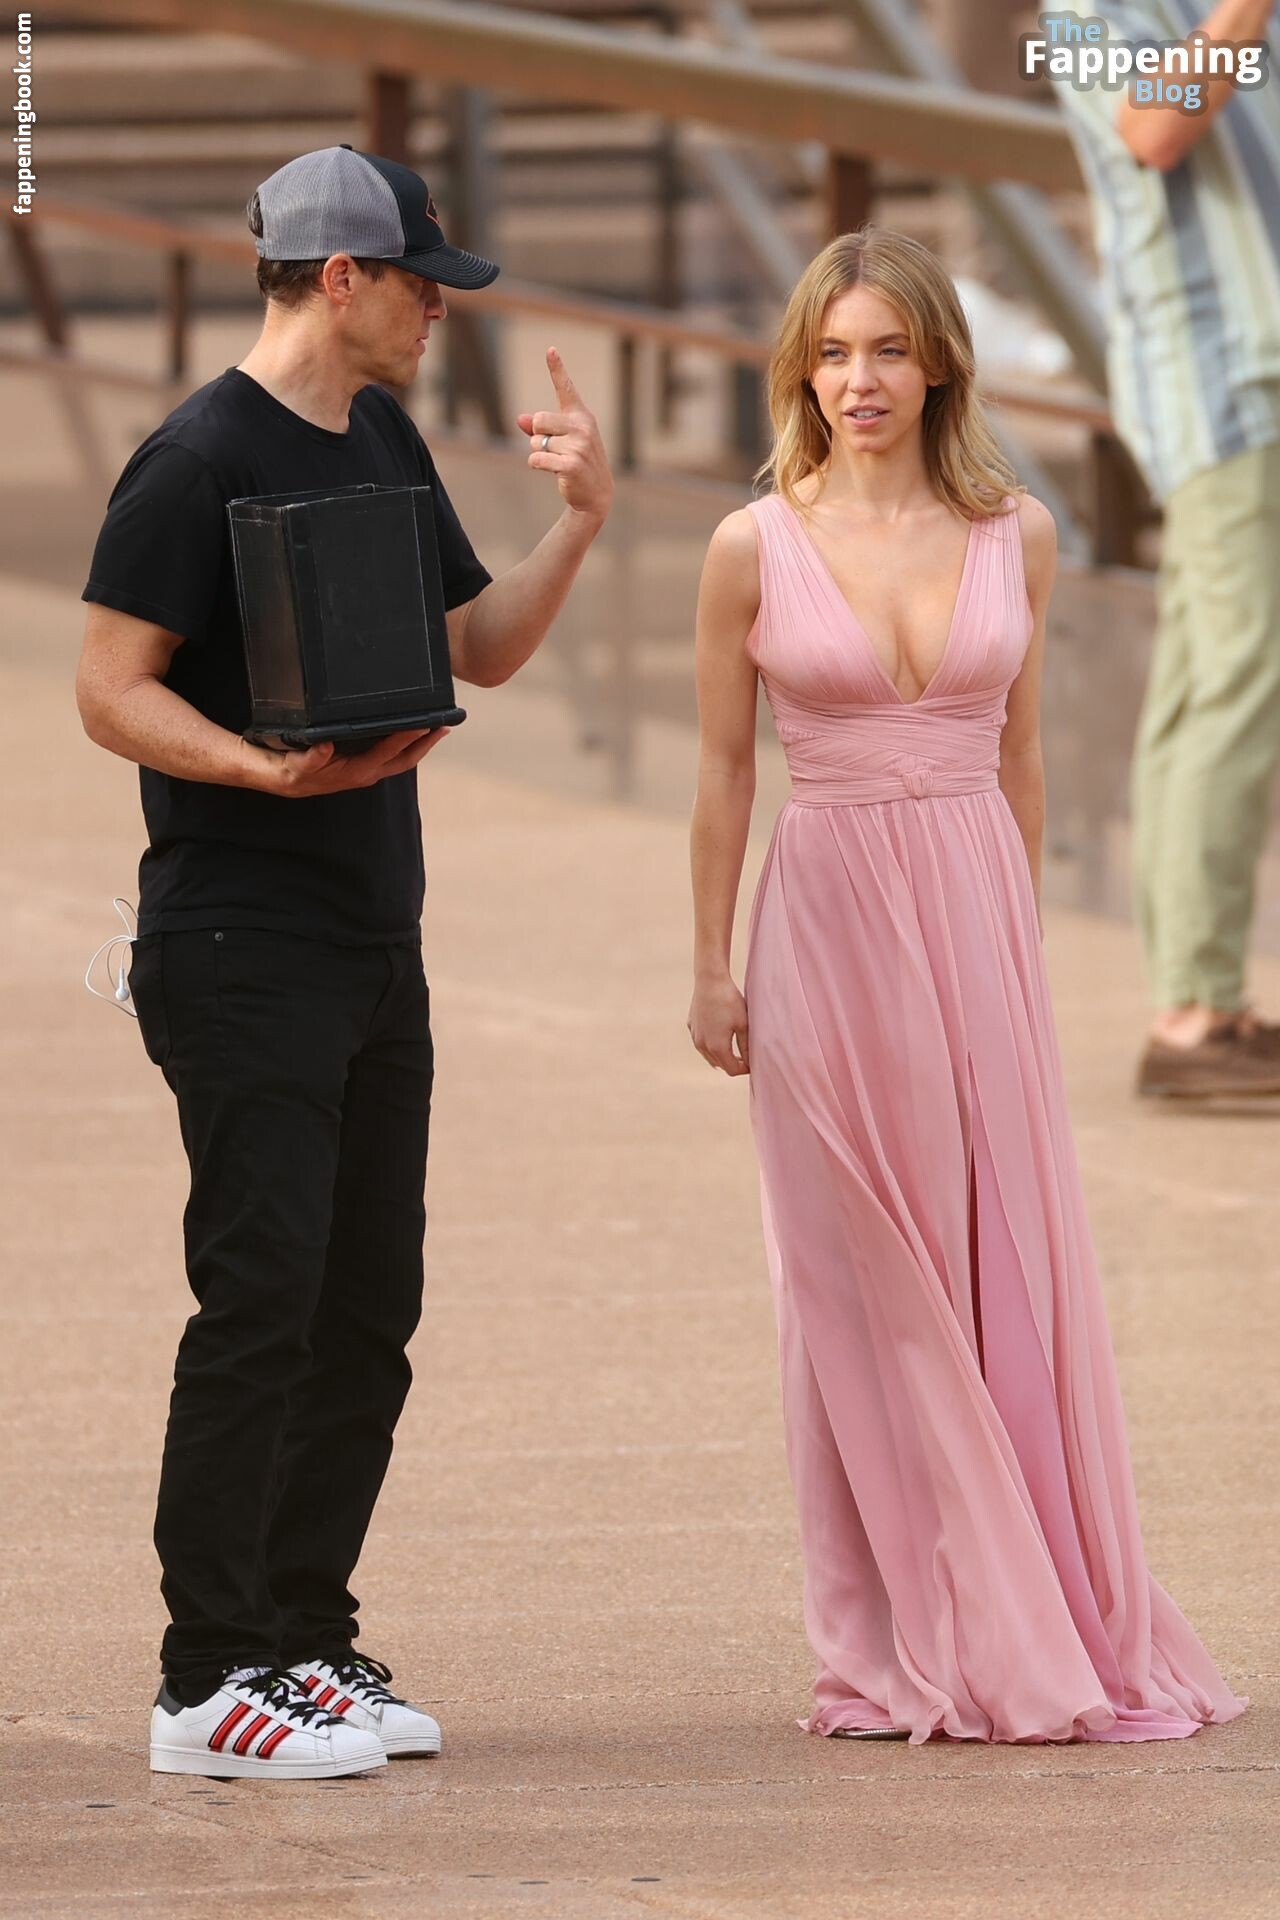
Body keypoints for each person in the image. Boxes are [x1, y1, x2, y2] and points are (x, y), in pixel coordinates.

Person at [76, 145, 614, 1778]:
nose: (439, 308)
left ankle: (303, 1637)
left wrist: (581, 522)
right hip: (238, 937)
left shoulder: (378, 435)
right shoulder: (195, 458)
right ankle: (205, 1679)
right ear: (341, 279)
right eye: (420, 281)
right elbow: (109, 688)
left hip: (376, 932)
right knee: (261, 1298)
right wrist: (255, 770)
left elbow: (479, 651)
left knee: (365, 1306)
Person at [687, 226, 1247, 1743]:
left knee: (999, 1266)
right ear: (801, 370)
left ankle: (1025, 1605)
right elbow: (725, 772)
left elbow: (1021, 758)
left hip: (977, 920)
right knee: (860, 1271)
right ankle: (893, 1635)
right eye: (830, 352)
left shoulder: (1019, 533)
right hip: (822, 924)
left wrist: (1024, 945)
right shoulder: (751, 545)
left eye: (886, 349)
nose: (857, 379)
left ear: (937, 361)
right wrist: (708, 965)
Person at [1051, 0, 1280, 1099]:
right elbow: (1153, 125)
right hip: (1218, 382)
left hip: (1244, 375)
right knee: (1235, 676)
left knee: (1203, 682)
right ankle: (1193, 1015)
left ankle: (1199, 1000)